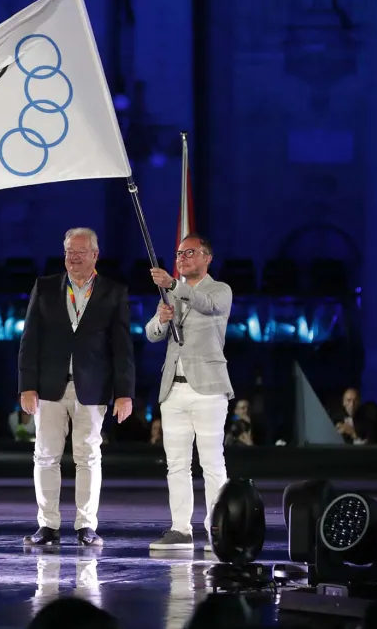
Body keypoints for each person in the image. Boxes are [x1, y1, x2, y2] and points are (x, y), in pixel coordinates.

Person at [18, 227, 135, 547]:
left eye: (81, 251)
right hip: (49, 388)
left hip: (92, 388)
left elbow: (122, 347)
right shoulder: (45, 287)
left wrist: (125, 393)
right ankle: (48, 526)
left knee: (89, 457)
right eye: (69, 251)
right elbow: (29, 341)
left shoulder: (113, 291)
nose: (74, 257)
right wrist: (26, 385)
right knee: (45, 457)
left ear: (95, 255)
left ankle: (86, 526)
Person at [145, 234, 232, 552]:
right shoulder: (170, 295)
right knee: (176, 464)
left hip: (208, 388)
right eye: (179, 253)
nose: (182, 258)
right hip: (174, 390)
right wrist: (160, 319)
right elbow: (152, 334)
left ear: (207, 257)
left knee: (212, 463)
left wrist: (173, 285)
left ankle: (219, 528)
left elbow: (208, 307)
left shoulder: (219, 290)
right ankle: (180, 529)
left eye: (190, 253)